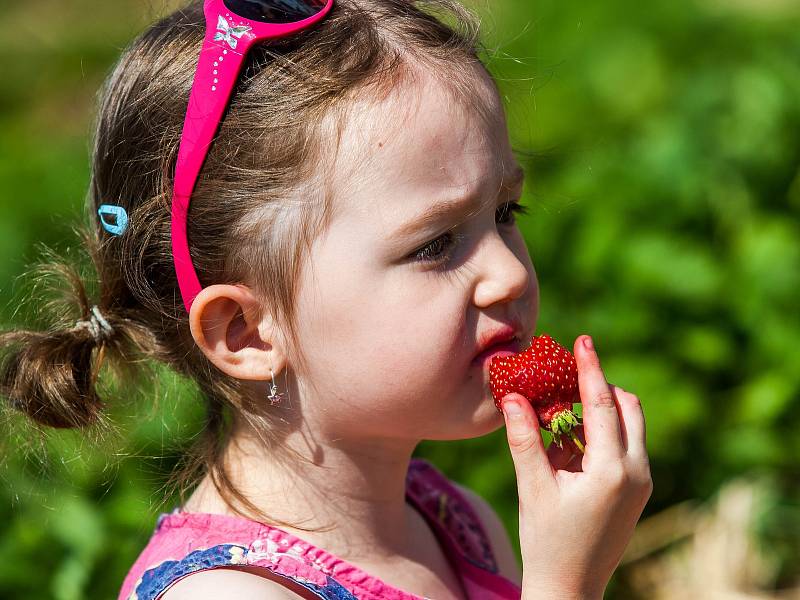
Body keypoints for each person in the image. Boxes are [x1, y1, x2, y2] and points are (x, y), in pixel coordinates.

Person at [0, 0, 652, 598]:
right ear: (247, 333)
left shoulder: (456, 521)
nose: (508, 273)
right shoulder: (229, 593)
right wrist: (567, 583)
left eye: (507, 210)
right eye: (435, 243)